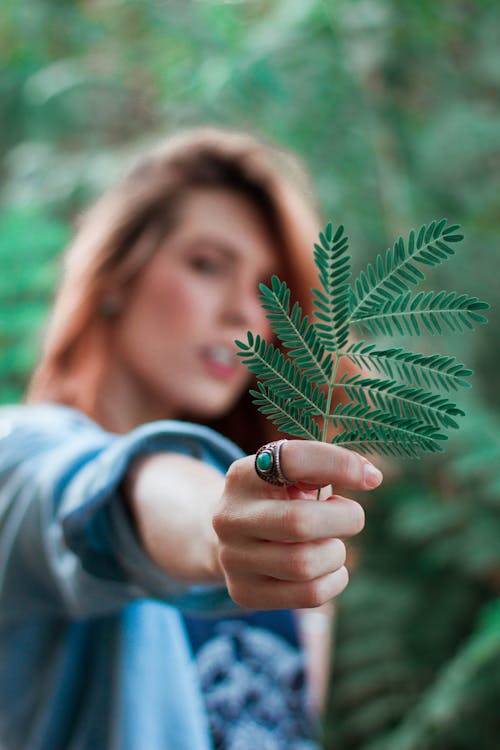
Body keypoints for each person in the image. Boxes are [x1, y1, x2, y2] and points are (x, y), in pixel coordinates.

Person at [0, 127, 383, 750]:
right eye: (207, 265)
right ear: (118, 276)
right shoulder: (18, 451)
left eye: (269, 291)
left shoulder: (283, 547)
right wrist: (217, 527)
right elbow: (108, 494)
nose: (245, 313)